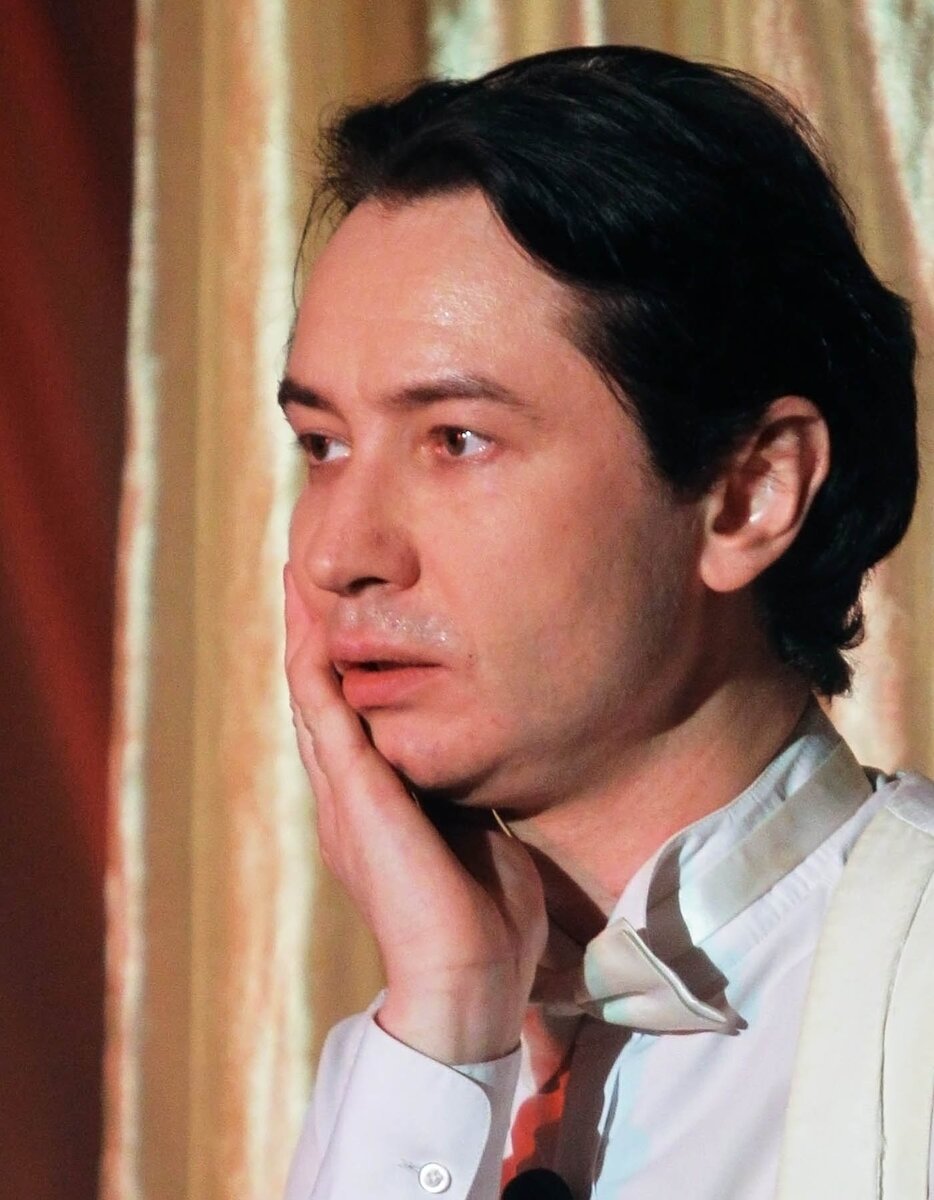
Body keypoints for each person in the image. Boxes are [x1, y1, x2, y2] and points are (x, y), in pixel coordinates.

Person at [278, 45, 931, 1200]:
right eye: (323, 445)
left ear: (747, 494)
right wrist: (444, 1017)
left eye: (456, 440)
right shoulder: (417, 1038)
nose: (338, 556)